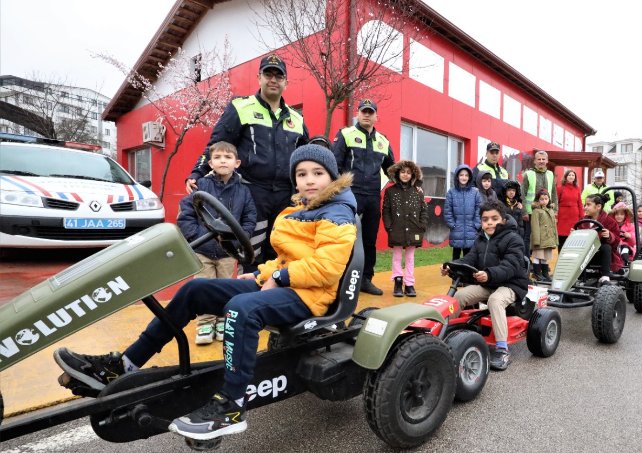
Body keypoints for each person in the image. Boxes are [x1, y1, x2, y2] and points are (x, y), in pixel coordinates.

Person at [55, 145, 357, 440]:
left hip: (310, 295)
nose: (309, 180)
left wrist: (278, 276)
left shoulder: (338, 212)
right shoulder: (298, 210)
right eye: (302, 174)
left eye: (318, 173)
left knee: (243, 308)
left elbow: (326, 268)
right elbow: (286, 259)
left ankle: (231, 406)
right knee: (196, 289)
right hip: (285, 282)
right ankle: (123, 365)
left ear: (332, 177)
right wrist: (263, 273)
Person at [185, 54, 309, 273]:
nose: (273, 79)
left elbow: (307, 155)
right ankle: (248, 298)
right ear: (259, 77)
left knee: (282, 249)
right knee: (252, 252)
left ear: (286, 83)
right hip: (253, 192)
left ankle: (274, 297)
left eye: (279, 76)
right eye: (268, 74)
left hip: (286, 195)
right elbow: (216, 145)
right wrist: (197, 172)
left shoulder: (296, 119)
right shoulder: (241, 107)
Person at [176, 141, 257, 345]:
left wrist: (241, 238)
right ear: (210, 163)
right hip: (202, 249)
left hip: (228, 251)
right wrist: (195, 236)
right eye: (218, 157)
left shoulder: (243, 191)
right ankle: (205, 322)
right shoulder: (201, 186)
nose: (223, 161)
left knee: (224, 287)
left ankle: (222, 320)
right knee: (204, 286)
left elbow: (249, 217)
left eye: (228, 157)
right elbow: (186, 213)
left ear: (236, 163)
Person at [441, 201, 529, 371]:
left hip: (511, 284)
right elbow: (469, 259)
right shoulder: (480, 239)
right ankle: (445, 334)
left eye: (494, 218)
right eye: (485, 219)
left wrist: (488, 274)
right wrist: (451, 266)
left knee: (495, 301)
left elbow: (510, 266)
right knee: (460, 296)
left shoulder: (513, 239)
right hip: (489, 283)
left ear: (503, 219)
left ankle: (502, 349)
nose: (489, 222)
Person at [332, 99, 395, 295]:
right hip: (349, 195)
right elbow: (335, 164)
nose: (367, 115)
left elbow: (393, 170)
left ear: (377, 116)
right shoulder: (345, 134)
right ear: (358, 114)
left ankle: (365, 279)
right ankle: (341, 279)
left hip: (373, 197)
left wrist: (411, 185)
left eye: (370, 112)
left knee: (369, 240)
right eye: (363, 111)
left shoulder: (383, 141)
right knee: (345, 238)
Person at [382, 160, 427, 298]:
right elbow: (386, 211)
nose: (405, 175)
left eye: (408, 172)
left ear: (413, 175)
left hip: (414, 229)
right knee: (396, 256)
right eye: (403, 172)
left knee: (410, 257)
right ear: (397, 173)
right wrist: (389, 227)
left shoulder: (418, 192)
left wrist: (422, 225)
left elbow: (424, 210)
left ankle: (409, 283)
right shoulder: (390, 191)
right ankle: (398, 281)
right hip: (396, 229)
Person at [575, 193, 623, 284]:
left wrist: (610, 236)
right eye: (585, 205)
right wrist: (574, 234)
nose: (585, 207)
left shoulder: (610, 221)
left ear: (598, 207)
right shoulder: (583, 221)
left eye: (588, 205)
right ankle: (575, 274)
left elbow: (616, 241)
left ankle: (605, 275)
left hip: (601, 256)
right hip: (585, 254)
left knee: (606, 247)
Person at [444, 165, 483, 260]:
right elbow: (447, 211)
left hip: (471, 230)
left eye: (466, 175)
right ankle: (455, 274)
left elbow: (480, 209)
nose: (464, 177)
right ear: (457, 176)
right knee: (456, 257)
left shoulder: (475, 193)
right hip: (456, 229)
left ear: (469, 177)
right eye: (461, 175)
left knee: (468, 256)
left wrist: (476, 224)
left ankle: (466, 274)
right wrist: (453, 225)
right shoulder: (451, 192)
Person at [530, 189, 557, 282]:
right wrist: (536, 241)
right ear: (538, 200)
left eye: (546, 199)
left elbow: (554, 226)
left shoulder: (551, 210)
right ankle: (537, 274)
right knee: (537, 256)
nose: (544, 201)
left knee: (546, 257)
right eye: (542, 199)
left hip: (548, 238)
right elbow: (535, 226)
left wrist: (555, 239)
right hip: (540, 239)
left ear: (549, 199)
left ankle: (545, 274)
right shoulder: (536, 211)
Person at [556, 169, 584, 251]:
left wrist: (582, 217)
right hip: (563, 215)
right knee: (562, 236)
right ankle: (560, 255)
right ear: (565, 177)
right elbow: (556, 202)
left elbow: (580, 203)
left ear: (575, 177)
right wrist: (556, 216)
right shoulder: (560, 188)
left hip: (574, 215)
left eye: (573, 175)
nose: (571, 177)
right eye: (569, 175)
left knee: (573, 236)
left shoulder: (577, 189)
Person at [500, 180, 528, 256]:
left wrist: (520, 236)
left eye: (513, 190)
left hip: (516, 235)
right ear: (505, 191)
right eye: (509, 190)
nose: (511, 192)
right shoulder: (501, 204)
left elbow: (521, 224)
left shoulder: (518, 205)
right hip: (504, 235)